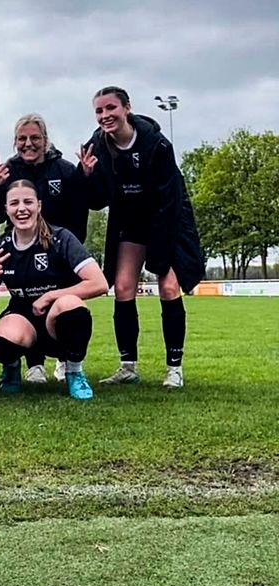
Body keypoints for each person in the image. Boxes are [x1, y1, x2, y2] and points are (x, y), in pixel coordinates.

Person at [82, 86, 204, 388]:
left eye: (111, 108)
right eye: (99, 110)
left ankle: (174, 368)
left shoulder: (156, 143)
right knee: (123, 286)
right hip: (129, 221)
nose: (105, 115)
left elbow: (169, 200)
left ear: (127, 108)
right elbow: (97, 200)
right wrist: (88, 176)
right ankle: (128, 367)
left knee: (169, 285)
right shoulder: (97, 145)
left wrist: (159, 256)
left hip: (166, 219)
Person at [0, 113, 91, 384]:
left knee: (69, 308)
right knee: (19, 313)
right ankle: (31, 364)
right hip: (21, 250)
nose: (28, 143)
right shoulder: (8, 171)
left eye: (34, 138)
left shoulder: (63, 169)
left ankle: (70, 365)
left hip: (58, 254)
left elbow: (81, 207)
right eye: (22, 138)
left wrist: (85, 178)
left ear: (45, 140)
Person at [0, 179, 108, 400]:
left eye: (28, 202)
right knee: (2, 342)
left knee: (73, 306)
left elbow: (99, 283)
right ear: (6, 209)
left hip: (55, 317)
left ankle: (74, 372)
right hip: (22, 318)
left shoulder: (61, 237)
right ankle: (11, 368)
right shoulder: (1, 246)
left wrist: (49, 296)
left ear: (39, 205)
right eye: (14, 203)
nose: (21, 209)